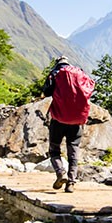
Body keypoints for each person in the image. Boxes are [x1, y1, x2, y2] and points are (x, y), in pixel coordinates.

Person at [41, 55, 90, 192]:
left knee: (54, 149)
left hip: (58, 118)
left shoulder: (55, 74)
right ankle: (71, 183)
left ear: (57, 63)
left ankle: (60, 172)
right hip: (77, 119)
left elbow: (46, 92)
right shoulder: (79, 73)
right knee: (73, 149)